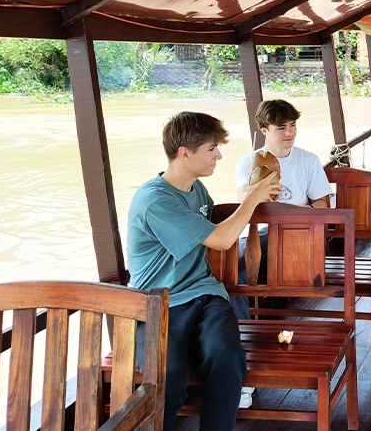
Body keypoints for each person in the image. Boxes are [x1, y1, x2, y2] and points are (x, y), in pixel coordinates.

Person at [126, 111, 280, 431]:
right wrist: (251, 199)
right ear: (185, 153)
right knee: (168, 376)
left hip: (205, 293)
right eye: (211, 148)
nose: (219, 155)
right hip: (158, 302)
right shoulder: (156, 199)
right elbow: (223, 240)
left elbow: (214, 229)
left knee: (227, 359)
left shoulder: (197, 190)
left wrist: (254, 196)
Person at [231, 99, 332, 318]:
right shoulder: (249, 162)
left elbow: (322, 205)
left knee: (239, 259)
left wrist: (293, 217)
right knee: (238, 253)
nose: (289, 133)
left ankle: (243, 318)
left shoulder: (308, 160)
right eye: (281, 128)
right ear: (264, 129)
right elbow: (241, 197)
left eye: (292, 125)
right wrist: (258, 193)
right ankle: (243, 317)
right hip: (257, 236)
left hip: (297, 234)